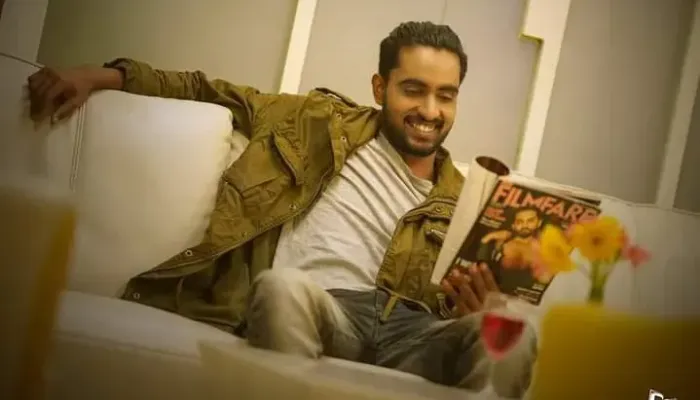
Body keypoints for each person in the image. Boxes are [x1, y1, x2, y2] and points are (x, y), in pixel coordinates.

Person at [27, 21, 536, 397]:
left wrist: (477, 309)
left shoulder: (468, 203)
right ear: (380, 88)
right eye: (414, 90)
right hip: (323, 310)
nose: (430, 111)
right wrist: (99, 76)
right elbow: (205, 89)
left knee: (514, 334)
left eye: (446, 96)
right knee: (279, 288)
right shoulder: (315, 120)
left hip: (412, 334)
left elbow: (451, 321)